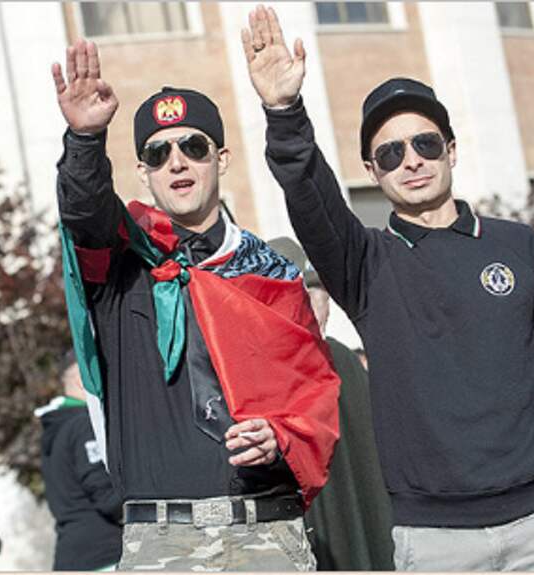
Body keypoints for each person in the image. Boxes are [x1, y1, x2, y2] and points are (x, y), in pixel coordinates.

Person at [242, 5, 534, 571]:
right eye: (390, 153)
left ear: (452, 150)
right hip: (434, 538)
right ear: (373, 171)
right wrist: (284, 111)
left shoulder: (519, 247)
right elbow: (310, 197)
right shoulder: (365, 263)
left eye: (426, 144)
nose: (411, 160)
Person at [51, 38, 340, 571]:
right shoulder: (120, 263)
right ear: (144, 173)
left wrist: (280, 436)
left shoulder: (271, 273)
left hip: (266, 534)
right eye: (158, 153)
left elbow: (314, 396)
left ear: (221, 159)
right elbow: (85, 211)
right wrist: (85, 139)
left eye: (193, 146)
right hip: (163, 545)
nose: (177, 162)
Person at [269, 237, 394, 570]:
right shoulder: (265, 372)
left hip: (362, 533)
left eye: (319, 297)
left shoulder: (345, 362)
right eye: (300, 296)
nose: (313, 310)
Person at [37, 351, 122, 570]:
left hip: (73, 554)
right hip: (103, 553)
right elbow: (104, 492)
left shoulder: (57, 427)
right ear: (82, 381)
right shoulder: (84, 425)